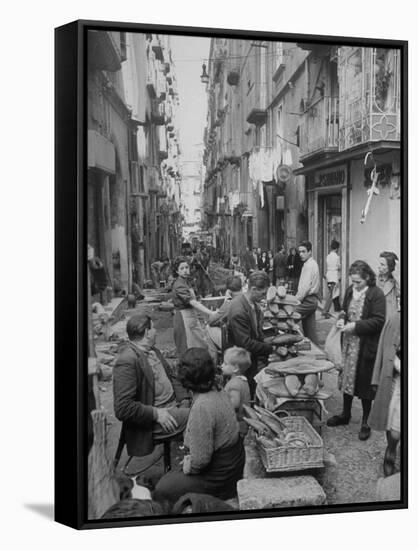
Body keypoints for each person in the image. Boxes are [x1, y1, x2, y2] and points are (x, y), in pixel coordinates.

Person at [154, 348, 245, 505]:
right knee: (168, 478)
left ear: (185, 378)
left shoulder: (202, 406)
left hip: (222, 475)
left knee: (163, 488)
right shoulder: (217, 387)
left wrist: (189, 465)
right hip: (234, 460)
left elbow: (200, 461)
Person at [113, 313, 191, 472]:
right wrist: (156, 414)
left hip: (173, 405)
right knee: (200, 415)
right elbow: (122, 408)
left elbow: (172, 376)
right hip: (151, 422)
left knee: (203, 404)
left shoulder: (152, 350)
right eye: (153, 328)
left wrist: (183, 399)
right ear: (147, 332)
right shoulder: (127, 361)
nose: (156, 331)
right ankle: (197, 469)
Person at [327, 260, 386, 440]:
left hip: (366, 345)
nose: (355, 285)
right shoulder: (350, 291)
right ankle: (346, 414)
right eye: (353, 281)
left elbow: (378, 320)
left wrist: (355, 326)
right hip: (349, 344)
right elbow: (344, 310)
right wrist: (341, 320)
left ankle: (366, 421)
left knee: (365, 383)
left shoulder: (376, 294)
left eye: (358, 281)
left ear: (368, 277)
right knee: (346, 378)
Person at [227, 270, 274, 397]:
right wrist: (270, 348)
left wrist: (270, 340)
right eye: (263, 293)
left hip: (250, 358)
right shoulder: (239, 310)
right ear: (253, 289)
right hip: (240, 362)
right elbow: (245, 343)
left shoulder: (253, 305)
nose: (264, 297)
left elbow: (257, 333)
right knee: (246, 393)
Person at [369, 311, 401, 476]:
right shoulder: (396, 320)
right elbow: (386, 350)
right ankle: (391, 453)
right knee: (396, 424)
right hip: (399, 379)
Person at [171, 256, 215, 359]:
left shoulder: (186, 282)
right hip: (183, 318)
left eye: (186, 267)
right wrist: (210, 313)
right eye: (182, 269)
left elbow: (195, 300)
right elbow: (193, 303)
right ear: (177, 271)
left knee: (199, 344)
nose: (185, 270)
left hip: (190, 316)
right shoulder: (179, 285)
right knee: (187, 348)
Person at [221, 347, 251, 437]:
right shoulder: (243, 380)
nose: (222, 365)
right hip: (242, 422)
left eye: (225, 364)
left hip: (237, 425)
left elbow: (234, 405)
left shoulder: (234, 384)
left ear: (235, 368)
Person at [295, 241, 320, 344]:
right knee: (310, 332)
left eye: (304, 251)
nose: (301, 254)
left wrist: (295, 300)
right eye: (299, 252)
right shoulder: (311, 263)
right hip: (311, 300)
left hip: (308, 300)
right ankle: (317, 353)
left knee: (289, 316)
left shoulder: (309, 266)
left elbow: (304, 288)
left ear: (310, 252)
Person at [377, 251, 400, 318]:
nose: (379, 267)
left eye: (382, 264)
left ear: (390, 266)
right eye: (379, 264)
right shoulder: (374, 280)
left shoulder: (396, 282)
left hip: (391, 320)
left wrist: (397, 275)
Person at [322, 240, 341, 318]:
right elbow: (339, 266)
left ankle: (336, 308)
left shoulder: (328, 256)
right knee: (331, 294)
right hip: (334, 276)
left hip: (329, 276)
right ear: (336, 248)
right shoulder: (337, 257)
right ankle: (325, 311)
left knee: (331, 293)